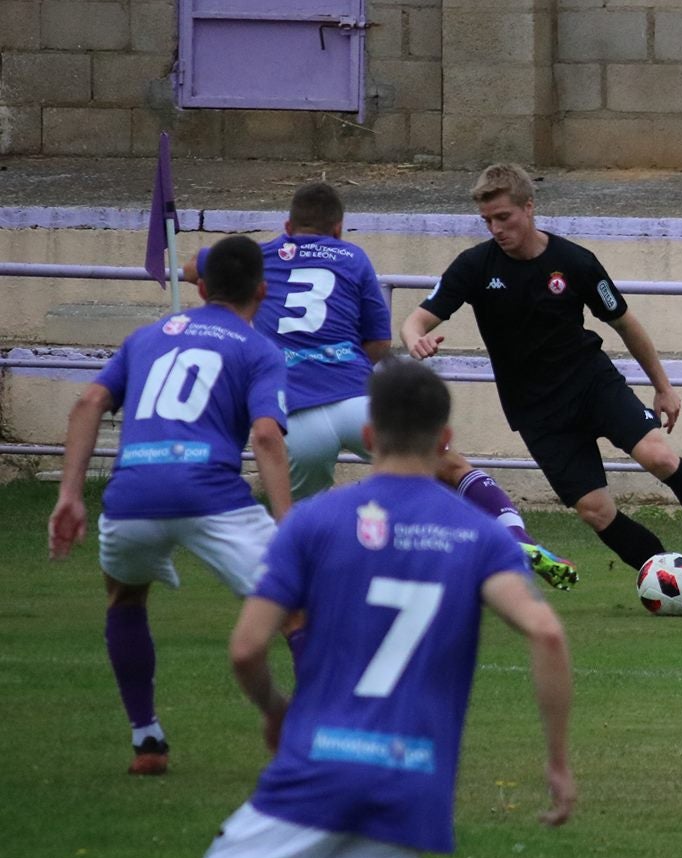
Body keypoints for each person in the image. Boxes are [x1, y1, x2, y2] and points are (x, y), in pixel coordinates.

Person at [180, 360, 575, 858]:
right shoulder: (479, 535)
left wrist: (272, 707)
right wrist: (556, 762)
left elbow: (246, 646)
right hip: (413, 785)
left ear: (367, 437)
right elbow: (545, 633)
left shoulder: (314, 521)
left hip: (316, 765)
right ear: (446, 441)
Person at [401, 163, 682, 611]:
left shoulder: (574, 262)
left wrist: (663, 387)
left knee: (658, 456)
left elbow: (625, 323)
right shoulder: (475, 266)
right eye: (488, 221)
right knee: (595, 511)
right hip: (537, 411)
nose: (496, 229)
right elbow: (417, 319)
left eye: (504, 217)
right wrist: (415, 339)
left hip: (592, 385)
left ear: (529, 207)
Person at [183, 182, 578, 591]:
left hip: (295, 417)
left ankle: (321, 594)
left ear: (287, 225)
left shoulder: (260, 257)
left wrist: (220, 270)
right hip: (357, 403)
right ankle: (516, 537)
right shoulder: (353, 257)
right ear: (338, 229)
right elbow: (378, 345)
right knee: (452, 467)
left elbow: (192, 268)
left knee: (303, 527)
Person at [48, 236, 292, 775]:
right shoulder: (257, 348)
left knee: (125, 598)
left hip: (133, 495)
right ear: (263, 290)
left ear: (201, 288)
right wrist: (288, 522)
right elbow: (268, 437)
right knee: (297, 608)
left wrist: (69, 495)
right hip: (213, 494)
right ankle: (305, 727)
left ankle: (147, 739)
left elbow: (89, 401)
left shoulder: (144, 337)